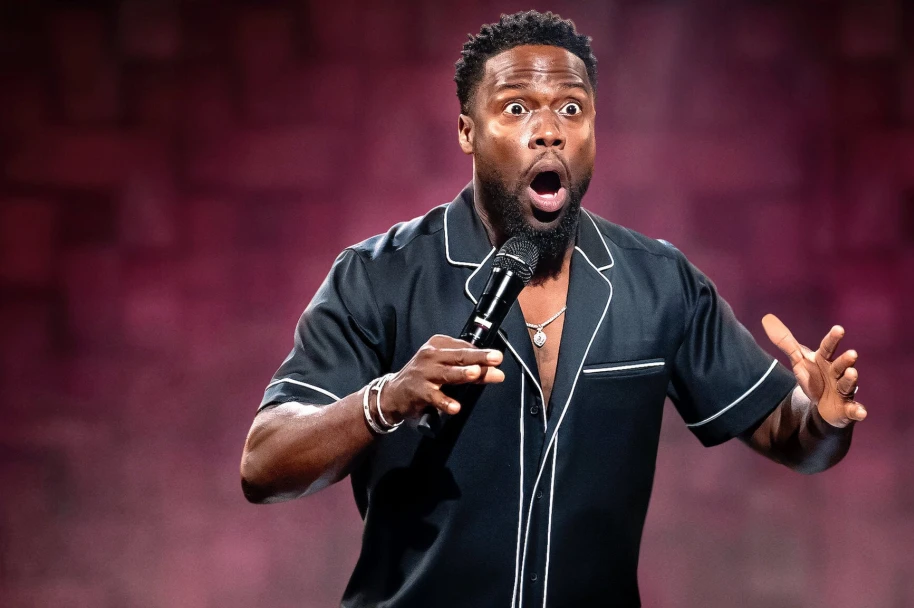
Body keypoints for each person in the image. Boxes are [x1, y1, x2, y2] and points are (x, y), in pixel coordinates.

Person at [240, 10, 866, 608]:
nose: (549, 130)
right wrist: (386, 400)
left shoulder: (658, 282)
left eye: (571, 108)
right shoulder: (379, 276)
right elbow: (264, 464)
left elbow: (791, 437)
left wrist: (823, 418)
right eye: (517, 108)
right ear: (467, 131)